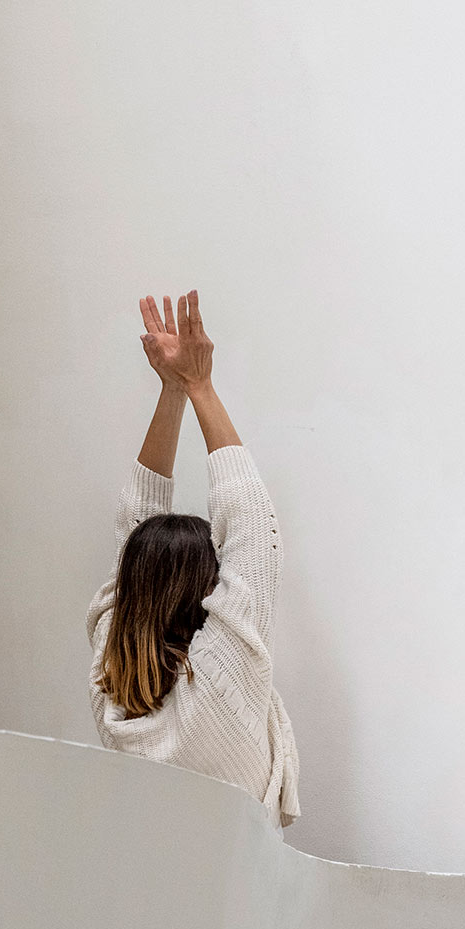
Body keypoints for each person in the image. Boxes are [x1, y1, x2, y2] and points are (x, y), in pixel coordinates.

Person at [86, 289, 301, 828]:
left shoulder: (110, 687)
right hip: (238, 902)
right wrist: (199, 386)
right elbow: (252, 526)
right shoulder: (222, 677)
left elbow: (133, 538)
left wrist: (172, 393)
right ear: (208, 592)